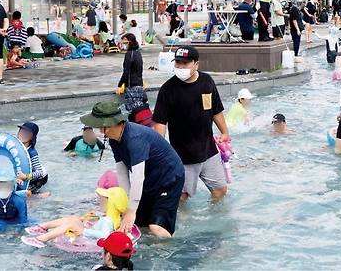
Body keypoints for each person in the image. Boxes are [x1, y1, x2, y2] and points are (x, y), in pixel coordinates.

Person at [80, 101, 185, 238]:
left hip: (169, 178)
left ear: (109, 124)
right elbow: (122, 172)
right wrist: (126, 206)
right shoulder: (114, 138)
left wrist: (131, 211)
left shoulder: (135, 138)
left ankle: (167, 250)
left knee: (156, 228)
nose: (99, 130)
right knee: (139, 223)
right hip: (149, 179)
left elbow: (137, 177)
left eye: (100, 126)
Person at [153, 46, 230, 203]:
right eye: (178, 63)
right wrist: (159, 151)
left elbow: (216, 110)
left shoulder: (207, 82)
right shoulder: (168, 89)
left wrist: (225, 132)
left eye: (185, 63)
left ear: (196, 64)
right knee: (181, 197)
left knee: (220, 190)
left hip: (209, 151)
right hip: (182, 155)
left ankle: (213, 222)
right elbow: (160, 122)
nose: (180, 67)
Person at [22, 187, 130, 247]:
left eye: (103, 201)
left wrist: (84, 231)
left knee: (72, 223)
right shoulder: (109, 217)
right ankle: (42, 227)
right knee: (74, 218)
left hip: (89, 237)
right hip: (89, 232)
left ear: (111, 205)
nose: (100, 203)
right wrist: (86, 220)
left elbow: (105, 234)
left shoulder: (108, 220)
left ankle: (41, 239)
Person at [17, 122, 48, 193]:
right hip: (24, 172)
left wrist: (25, 177)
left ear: (32, 137)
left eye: (27, 133)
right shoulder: (14, 146)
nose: (23, 134)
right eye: (22, 131)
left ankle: (40, 195)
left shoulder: (32, 152)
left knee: (27, 194)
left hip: (39, 178)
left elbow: (39, 173)